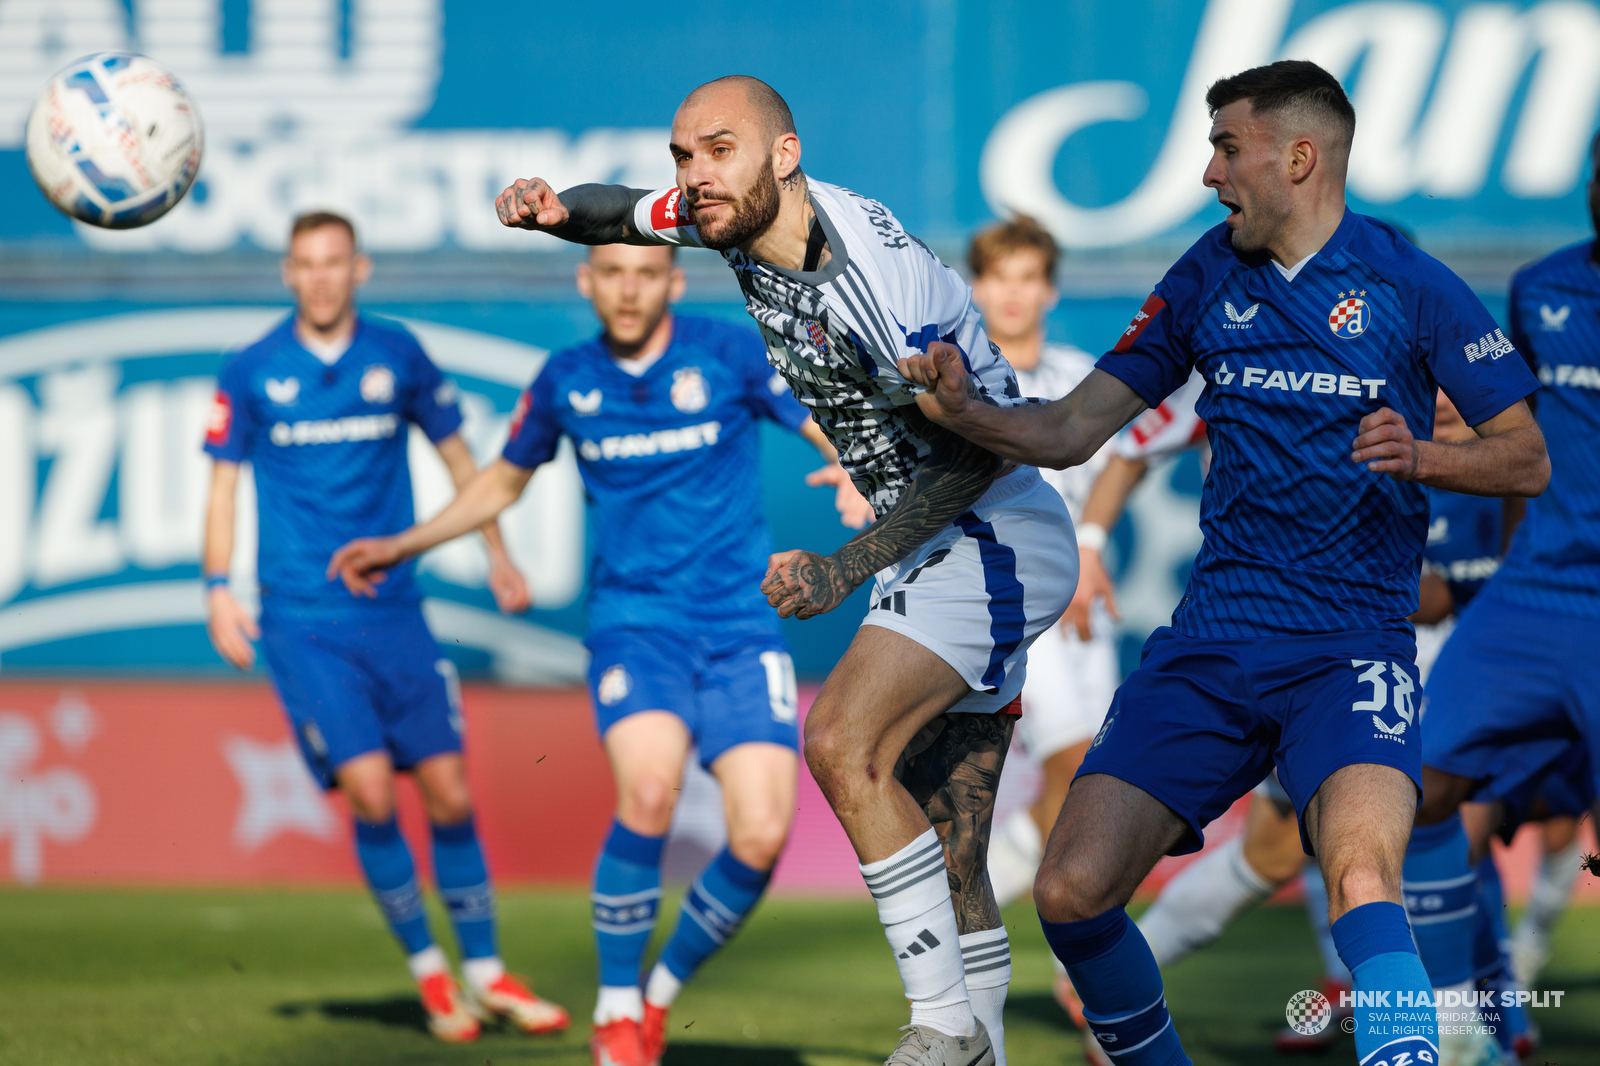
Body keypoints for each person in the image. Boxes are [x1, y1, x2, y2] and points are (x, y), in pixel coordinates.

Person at [900, 60, 1547, 1066]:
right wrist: (966, 411)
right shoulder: (1207, 273)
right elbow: (1074, 428)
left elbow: (1526, 451)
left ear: (1298, 157)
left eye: (1225, 145)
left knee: (1364, 878)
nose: (1208, 172)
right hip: (1211, 643)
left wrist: (1422, 454)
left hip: (1350, 645)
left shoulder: (1410, 285)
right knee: (1072, 892)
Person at [478, 75, 1077, 1066]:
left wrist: (846, 566)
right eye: (682, 155)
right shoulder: (728, 212)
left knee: (841, 737)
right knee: (952, 841)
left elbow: (981, 454)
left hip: (990, 526)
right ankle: (984, 1052)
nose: (693, 176)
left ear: (784, 157)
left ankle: (942, 1030)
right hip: (938, 532)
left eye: (717, 150)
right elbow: (614, 211)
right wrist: (553, 216)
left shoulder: (872, 294)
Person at [328, 240, 871, 1066]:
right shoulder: (564, 379)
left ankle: (656, 996)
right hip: (634, 627)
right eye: (611, 273)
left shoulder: (724, 351)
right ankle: (617, 1007)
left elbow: (820, 421)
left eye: (645, 273)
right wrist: (405, 544)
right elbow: (501, 482)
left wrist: (851, 467)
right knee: (648, 792)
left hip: (738, 628)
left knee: (760, 838)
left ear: (672, 281)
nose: (628, 289)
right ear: (587, 281)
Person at [201, 210, 568, 1042]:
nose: (322, 277)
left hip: (397, 612)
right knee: (369, 790)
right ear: (289, 274)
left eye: (335, 262)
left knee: (448, 791)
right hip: (303, 618)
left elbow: (460, 461)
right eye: (306, 264)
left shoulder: (396, 353)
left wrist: (497, 554)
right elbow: (222, 488)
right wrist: (218, 587)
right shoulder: (253, 368)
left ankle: (486, 973)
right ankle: (431, 976)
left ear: (359, 269)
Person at [1401, 129, 1600, 1066]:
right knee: (1410, 790)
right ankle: (1456, 1023)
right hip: (1535, 598)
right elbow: (1524, 447)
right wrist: (1508, 579)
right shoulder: (1544, 287)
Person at [965, 216, 1117, 911]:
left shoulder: (1081, 375)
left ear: (1050, 290)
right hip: (1013, 608)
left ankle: (961, 897)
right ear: (975, 287)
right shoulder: (960, 379)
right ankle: (1081, 974)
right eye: (999, 277)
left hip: (1086, 609)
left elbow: (1130, 458)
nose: (1014, 294)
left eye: (1028, 278)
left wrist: (1089, 544)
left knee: (1097, 786)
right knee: (1079, 770)